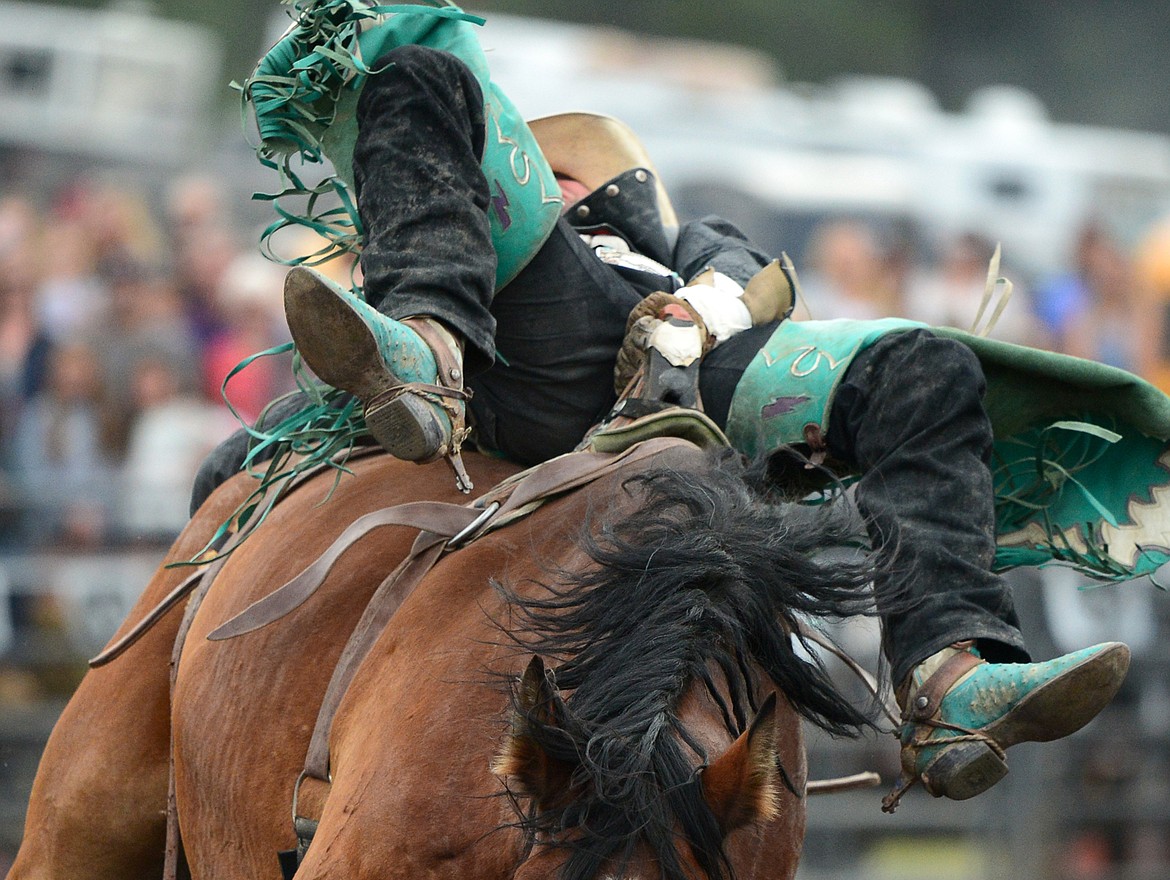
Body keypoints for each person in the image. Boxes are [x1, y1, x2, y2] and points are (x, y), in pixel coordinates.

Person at [197, 2, 1140, 808]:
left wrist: (691, 311)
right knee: (418, 77)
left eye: (569, 176)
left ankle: (947, 677)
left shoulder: (691, 243)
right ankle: (431, 346)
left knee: (927, 365)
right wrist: (237, 473)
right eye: (543, 172)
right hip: (515, 352)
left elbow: (754, 277)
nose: (553, 183)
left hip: (692, 379)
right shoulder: (484, 220)